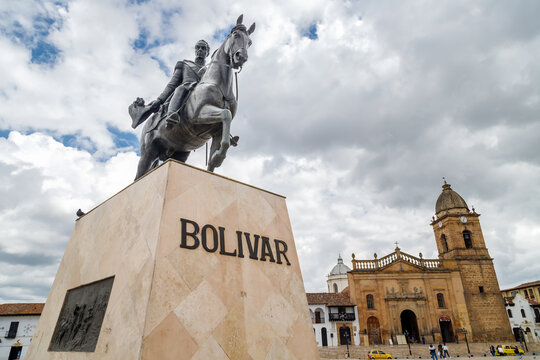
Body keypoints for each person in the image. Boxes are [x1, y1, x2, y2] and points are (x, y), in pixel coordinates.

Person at [130, 40, 210, 129]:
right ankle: (172, 115)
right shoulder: (184, 64)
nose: (200, 50)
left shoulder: (209, 71)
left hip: (201, 94)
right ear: (195, 50)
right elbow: (172, 84)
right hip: (185, 90)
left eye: (203, 48)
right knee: (181, 88)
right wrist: (160, 100)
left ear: (207, 53)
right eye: (197, 47)